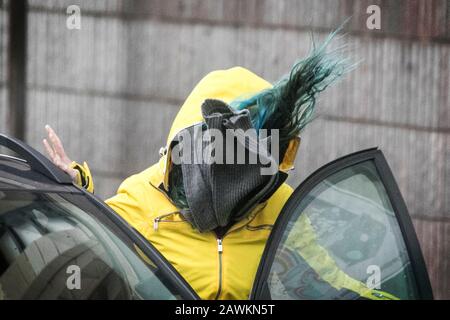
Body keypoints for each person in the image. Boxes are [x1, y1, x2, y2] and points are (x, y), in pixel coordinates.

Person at [43, 37, 397, 300]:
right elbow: (98, 238)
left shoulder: (282, 205)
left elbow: (332, 282)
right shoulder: (143, 195)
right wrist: (76, 189)